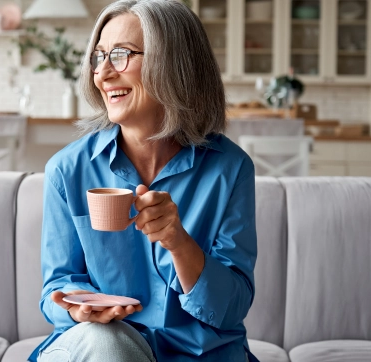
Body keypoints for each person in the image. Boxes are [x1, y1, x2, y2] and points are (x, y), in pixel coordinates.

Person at [29, 0, 258, 361]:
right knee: (108, 345)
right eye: (98, 56)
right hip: (102, 346)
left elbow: (231, 309)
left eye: (120, 54)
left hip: (200, 354)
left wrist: (179, 242)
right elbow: (56, 288)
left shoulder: (229, 170)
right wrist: (77, 308)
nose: (102, 73)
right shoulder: (67, 170)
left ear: (175, 64)